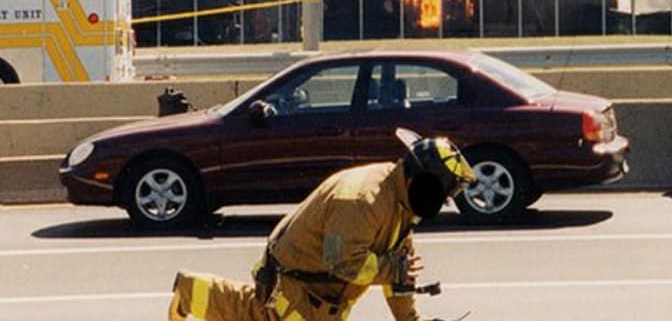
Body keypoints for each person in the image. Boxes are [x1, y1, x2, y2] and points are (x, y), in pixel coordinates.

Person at [167, 130, 476, 321]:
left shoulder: (403, 207)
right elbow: (341, 263)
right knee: (253, 313)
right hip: (296, 284)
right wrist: (391, 270)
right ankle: (188, 289)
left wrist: (410, 318)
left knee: (252, 313)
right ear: (415, 180)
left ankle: (190, 289)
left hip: (324, 296)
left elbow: (399, 268)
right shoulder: (361, 201)